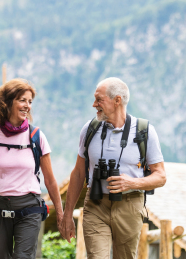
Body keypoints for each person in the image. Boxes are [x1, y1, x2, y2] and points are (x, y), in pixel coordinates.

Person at [62, 77, 167, 259]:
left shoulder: (144, 131)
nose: (94, 104)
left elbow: (161, 176)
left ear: (117, 100)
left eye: (99, 99)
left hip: (130, 204)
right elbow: (79, 173)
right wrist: (67, 213)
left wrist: (131, 183)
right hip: (95, 203)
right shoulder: (89, 129)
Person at [0, 78, 64, 259]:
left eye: (30, 101)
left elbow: (50, 180)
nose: (27, 105)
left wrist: (60, 214)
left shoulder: (37, 137)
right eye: (22, 100)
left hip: (29, 209)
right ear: (7, 102)